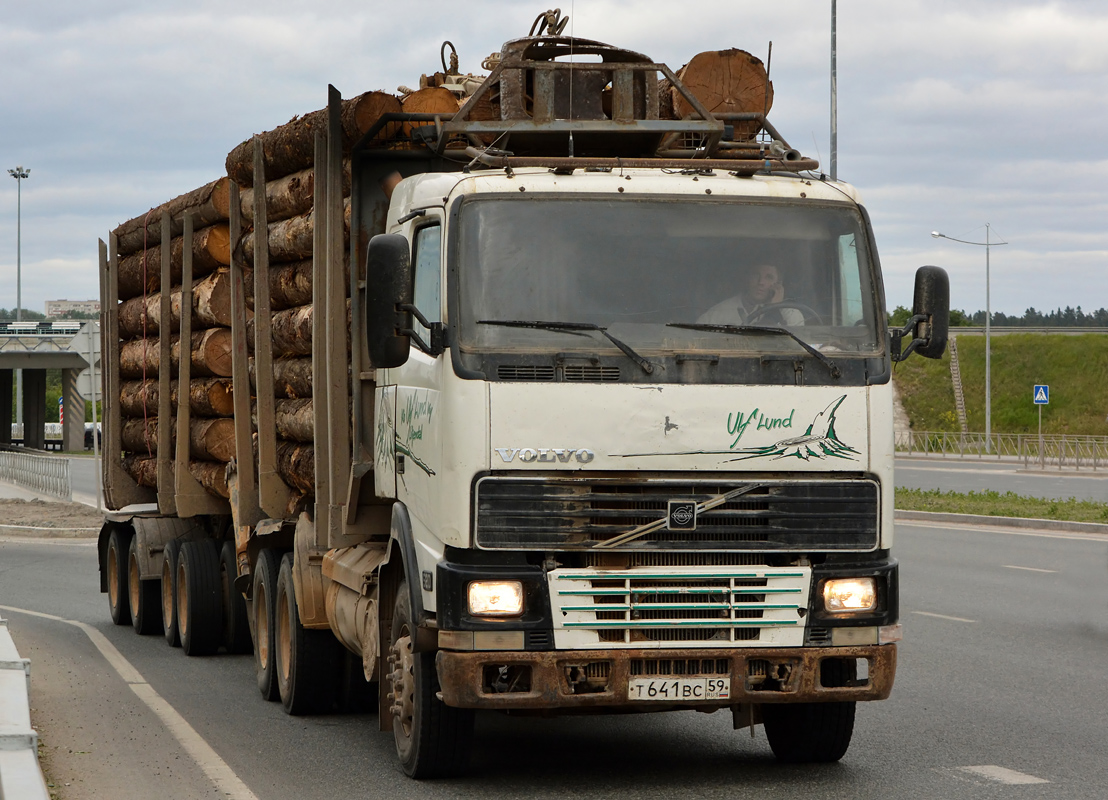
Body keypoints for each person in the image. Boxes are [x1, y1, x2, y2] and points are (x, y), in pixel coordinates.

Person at [697, 263, 805, 326]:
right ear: (747, 279)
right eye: (756, 275)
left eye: (769, 277)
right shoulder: (719, 313)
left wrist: (774, 308)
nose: (761, 282)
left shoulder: (791, 315)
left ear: (778, 284)